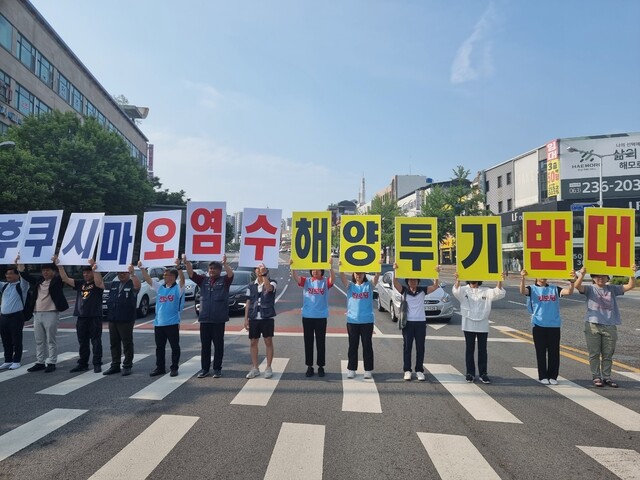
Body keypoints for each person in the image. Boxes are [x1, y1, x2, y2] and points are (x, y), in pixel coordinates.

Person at [573, 265, 636, 388]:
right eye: (597, 276)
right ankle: (596, 376)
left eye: (603, 276)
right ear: (593, 278)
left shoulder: (612, 289)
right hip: (593, 324)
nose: (600, 278)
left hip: (610, 325)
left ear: (607, 277)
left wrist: (632, 274)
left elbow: (630, 286)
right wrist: (581, 274)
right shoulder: (590, 289)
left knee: (608, 354)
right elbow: (577, 286)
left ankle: (607, 377)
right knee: (594, 353)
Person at [519, 269, 575, 385]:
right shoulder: (532, 289)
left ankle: (553, 376)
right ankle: (543, 376)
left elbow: (568, 292)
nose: (543, 277)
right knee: (541, 352)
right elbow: (522, 291)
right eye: (540, 274)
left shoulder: (554, 288)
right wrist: (523, 278)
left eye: (545, 275)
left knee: (554, 352)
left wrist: (572, 282)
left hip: (554, 324)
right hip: (538, 324)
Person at [452, 273, 506, 384]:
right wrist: (458, 278)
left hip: (482, 323)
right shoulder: (464, 290)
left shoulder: (486, 290)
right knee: (469, 350)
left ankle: (483, 374)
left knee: (482, 350)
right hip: (468, 323)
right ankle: (470, 373)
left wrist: (500, 279)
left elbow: (498, 292)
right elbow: (456, 291)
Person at [185, 256, 233, 379]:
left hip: (218, 319)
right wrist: (187, 262)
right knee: (205, 346)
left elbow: (230, 274)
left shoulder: (224, 281)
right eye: (210, 268)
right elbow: (191, 273)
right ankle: (204, 369)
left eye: (214, 269)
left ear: (219, 270)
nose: (211, 270)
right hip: (205, 318)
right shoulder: (203, 281)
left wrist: (225, 263)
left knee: (218, 346)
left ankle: (217, 369)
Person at [18, 259, 69, 373]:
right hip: (37, 313)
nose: (45, 272)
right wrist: (20, 262)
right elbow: (25, 275)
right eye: (43, 270)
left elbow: (64, 277)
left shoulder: (57, 281)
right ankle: (40, 361)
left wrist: (59, 264)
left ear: (53, 272)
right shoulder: (39, 281)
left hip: (51, 312)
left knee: (51, 339)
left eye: (47, 270)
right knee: (39, 340)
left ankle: (51, 362)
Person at [393, 264, 440, 381]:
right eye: (410, 280)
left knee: (420, 347)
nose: (412, 282)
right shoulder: (404, 290)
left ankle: (419, 370)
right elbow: (395, 283)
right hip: (408, 323)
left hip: (420, 323)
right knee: (407, 347)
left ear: (418, 281)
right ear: (407, 281)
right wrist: (395, 270)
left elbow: (435, 286)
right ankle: (407, 370)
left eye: (415, 280)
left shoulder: (422, 291)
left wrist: (436, 273)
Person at [58, 259, 104, 373]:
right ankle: (83, 363)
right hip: (81, 316)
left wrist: (95, 267)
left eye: (88, 272)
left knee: (96, 341)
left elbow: (99, 283)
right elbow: (65, 279)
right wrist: (60, 266)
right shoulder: (80, 284)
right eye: (84, 273)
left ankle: (97, 363)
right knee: (82, 342)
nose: (85, 274)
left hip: (94, 316)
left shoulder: (98, 283)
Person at [140, 260, 185, 377]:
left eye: (169, 275)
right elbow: (149, 280)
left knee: (175, 347)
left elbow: (183, 280)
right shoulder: (160, 288)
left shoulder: (177, 288)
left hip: (172, 323)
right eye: (165, 275)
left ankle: (174, 367)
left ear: (174, 277)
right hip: (159, 323)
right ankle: (160, 367)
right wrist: (142, 269)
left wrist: (179, 268)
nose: (167, 277)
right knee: (159, 347)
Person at [290, 259, 335, 377]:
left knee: (321, 342)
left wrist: (331, 267)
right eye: (313, 269)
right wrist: (292, 267)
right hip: (308, 316)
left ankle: (321, 366)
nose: (315, 271)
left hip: (321, 317)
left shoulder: (325, 282)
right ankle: (309, 366)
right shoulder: (307, 281)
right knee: (308, 342)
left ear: (321, 271)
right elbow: (296, 278)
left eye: (318, 269)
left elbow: (332, 279)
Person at [339, 264, 380, 379]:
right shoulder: (350, 286)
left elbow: (377, 276)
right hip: (352, 321)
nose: (358, 275)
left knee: (367, 345)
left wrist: (378, 266)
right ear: (353, 274)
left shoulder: (369, 286)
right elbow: (342, 277)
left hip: (367, 321)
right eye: (356, 273)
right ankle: (352, 369)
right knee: (353, 345)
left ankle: (368, 369)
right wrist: (341, 267)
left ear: (364, 275)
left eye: (361, 273)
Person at [103, 264, 141, 377]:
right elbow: (99, 284)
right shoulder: (114, 284)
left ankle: (127, 365)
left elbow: (137, 287)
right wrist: (96, 270)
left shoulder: (132, 283)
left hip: (126, 319)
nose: (121, 275)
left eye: (124, 273)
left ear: (128, 273)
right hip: (113, 318)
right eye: (119, 273)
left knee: (127, 342)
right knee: (114, 343)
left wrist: (133, 273)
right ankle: (115, 364)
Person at [244, 263, 277, 379]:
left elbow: (269, 289)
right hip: (254, 318)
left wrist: (264, 275)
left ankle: (268, 367)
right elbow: (248, 302)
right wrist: (246, 319)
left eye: (261, 269)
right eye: (257, 269)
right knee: (253, 342)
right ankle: (255, 368)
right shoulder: (251, 285)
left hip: (266, 317)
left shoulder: (272, 282)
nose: (259, 270)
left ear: (266, 270)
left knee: (268, 341)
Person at [0, 264, 30, 371]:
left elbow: (25, 280)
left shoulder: (21, 286)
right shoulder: (4, 286)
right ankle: (8, 360)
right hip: (3, 317)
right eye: (7, 274)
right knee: (5, 339)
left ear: (17, 275)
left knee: (16, 340)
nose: (8, 276)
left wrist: (20, 266)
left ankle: (16, 361)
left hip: (16, 316)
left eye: (11, 273)